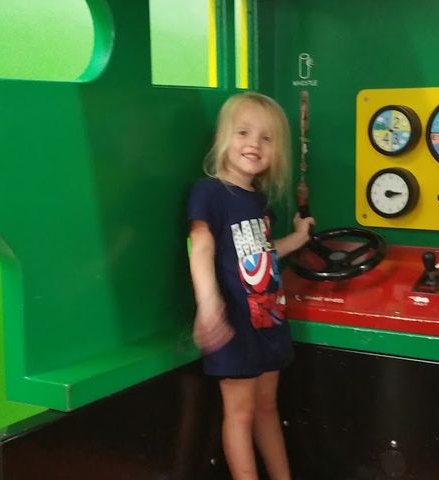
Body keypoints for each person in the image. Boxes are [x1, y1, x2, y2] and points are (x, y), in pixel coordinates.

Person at [187, 91, 314, 480]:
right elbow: (200, 246)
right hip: (234, 324)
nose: (254, 144)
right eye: (243, 132)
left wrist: (299, 238)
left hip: (267, 320)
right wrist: (209, 304)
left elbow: (262, 253)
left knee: (267, 408)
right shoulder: (209, 192)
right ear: (223, 136)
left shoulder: (258, 202)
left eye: (266, 138)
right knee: (240, 413)